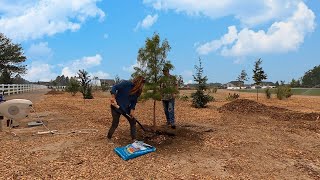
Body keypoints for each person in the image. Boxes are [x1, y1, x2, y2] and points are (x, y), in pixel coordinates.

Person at [107, 76, 145, 143]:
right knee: (115, 123)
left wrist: (132, 111)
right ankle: (109, 138)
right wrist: (113, 97)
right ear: (138, 82)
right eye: (142, 84)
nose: (142, 86)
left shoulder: (138, 91)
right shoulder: (126, 83)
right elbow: (114, 87)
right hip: (115, 107)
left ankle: (134, 139)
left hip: (125, 109)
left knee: (133, 121)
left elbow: (134, 102)